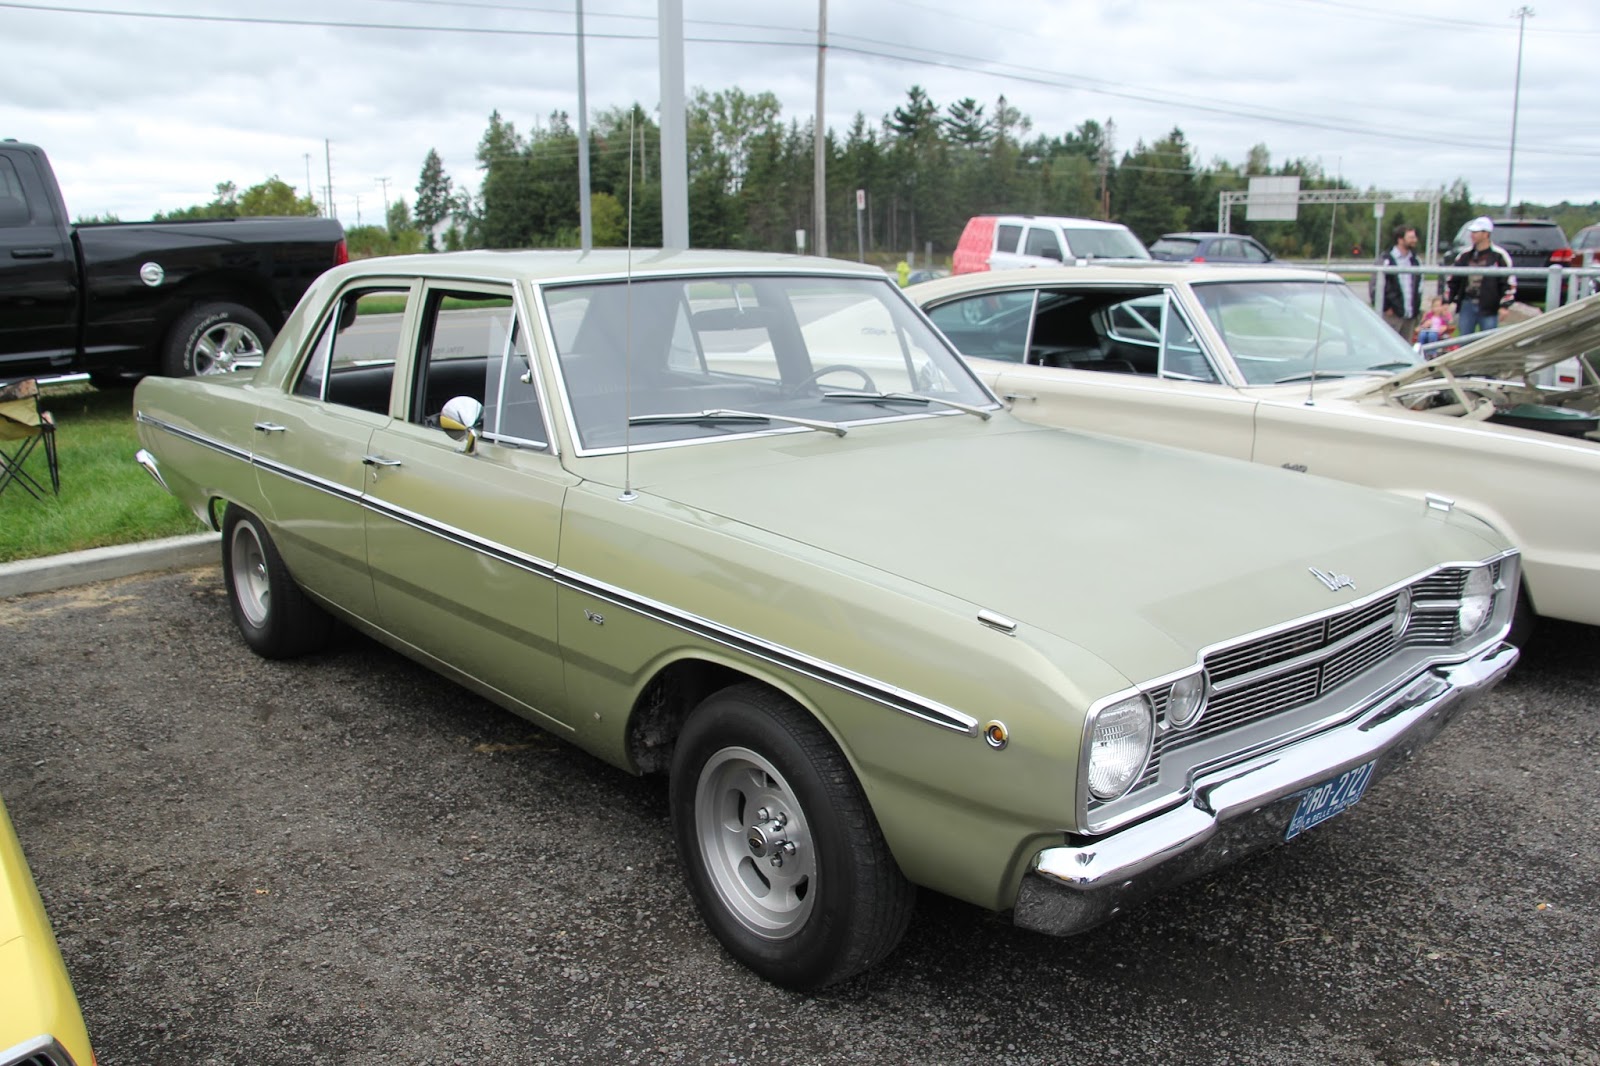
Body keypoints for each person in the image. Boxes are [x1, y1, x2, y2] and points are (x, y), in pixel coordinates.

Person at [1446, 216, 1517, 335]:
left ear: (1486, 234)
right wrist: (1447, 301)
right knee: (1464, 340)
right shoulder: (1465, 255)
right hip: (1467, 304)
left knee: (1488, 341)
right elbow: (1453, 279)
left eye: (1475, 232)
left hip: (1489, 306)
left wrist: (1504, 305)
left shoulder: (1499, 256)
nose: (1472, 235)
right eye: (1472, 232)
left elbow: (1509, 282)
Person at [1372, 224, 1423, 340]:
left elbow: (1419, 286)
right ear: (1400, 240)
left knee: (1406, 350)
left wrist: (1416, 308)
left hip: (1410, 316)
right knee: (1388, 345)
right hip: (1392, 315)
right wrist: (1385, 307)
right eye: (1411, 237)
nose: (1414, 240)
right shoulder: (1386, 260)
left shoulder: (1415, 261)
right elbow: (1376, 286)